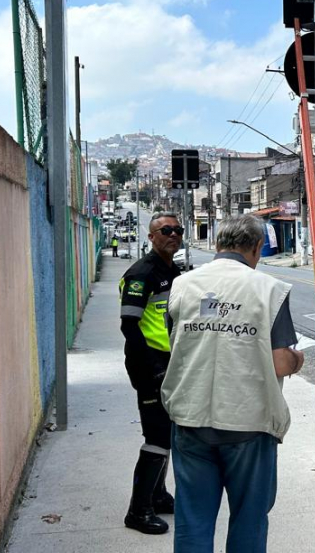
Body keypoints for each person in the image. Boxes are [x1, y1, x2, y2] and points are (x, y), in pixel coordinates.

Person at [162, 214, 304, 553]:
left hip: (191, 416)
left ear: (216, 245)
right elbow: (281, 361)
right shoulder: (268, 289)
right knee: (248, 519)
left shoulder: (182, 285)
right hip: (248, 424)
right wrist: (299, 360)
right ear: (256, 248)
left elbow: (178, 342)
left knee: (193, 520)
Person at [119, 212, 184, 534]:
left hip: (170, 364)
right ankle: (138, 510)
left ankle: (158, 496)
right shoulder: (142, 273)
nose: (173, 234)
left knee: (167, 432)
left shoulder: (174, 271)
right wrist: (154, 368)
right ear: (152, 236)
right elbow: (129, 326)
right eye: (165, 230)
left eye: (177, 230)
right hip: (150, 367)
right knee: (157, 436)